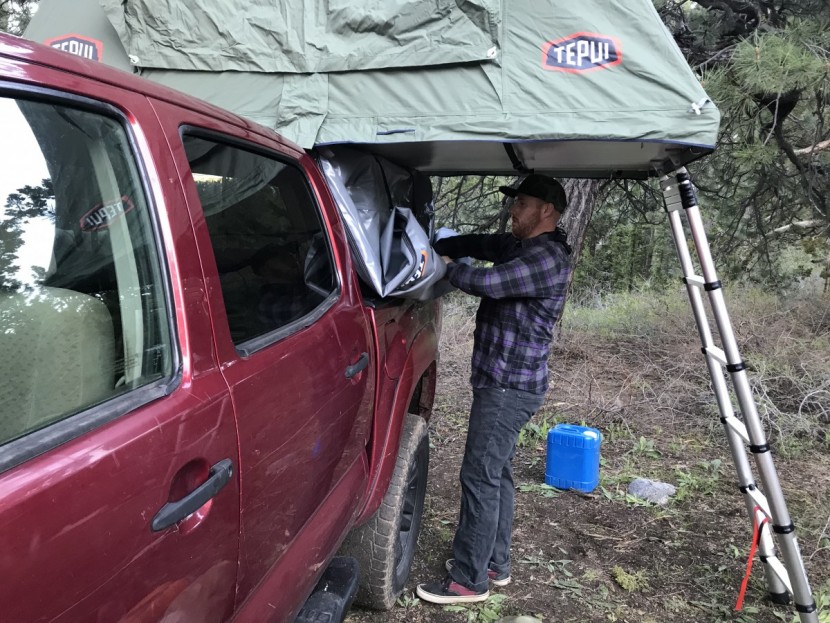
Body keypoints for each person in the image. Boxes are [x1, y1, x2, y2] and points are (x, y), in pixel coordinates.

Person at [416, 174, 572, 605]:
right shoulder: (521, 246)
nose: (512, 210)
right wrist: (446, 242)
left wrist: (443, 265)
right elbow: (484, 243)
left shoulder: (547, 259)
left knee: (479, 475)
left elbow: (489, 283)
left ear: (546, 210)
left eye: (521, 203)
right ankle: (494, 564)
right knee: (497, 472)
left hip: (508, 387)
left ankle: (469, 581)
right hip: (503, 383)